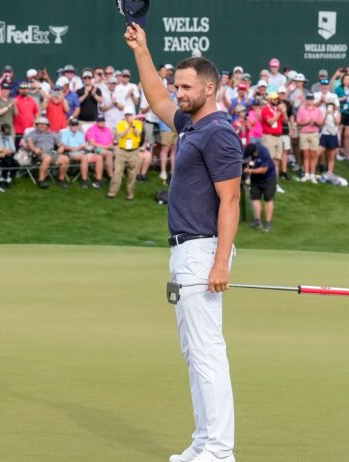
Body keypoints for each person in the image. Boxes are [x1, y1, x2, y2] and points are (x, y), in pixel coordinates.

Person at [126, 22, 242, 462]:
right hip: (185, 249)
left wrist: (220, 264)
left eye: (187, 87)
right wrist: (142, 50)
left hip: (203, 249)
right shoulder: (192, 126)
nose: (178, 93)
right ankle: (203, 441)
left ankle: (219, 450)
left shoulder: (219, 132)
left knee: (207, 351)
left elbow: (230, 200)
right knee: (194, 353)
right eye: (179, 85)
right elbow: (155, 97)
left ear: (210, 88)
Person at [107, 107, 143, 200]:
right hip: (122, 151)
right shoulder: (121, 124)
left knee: (132, 174)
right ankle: (112, 192)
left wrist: (133, 126)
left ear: (133, 116)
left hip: (134, 151)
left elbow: (138, 134)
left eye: (130, 115)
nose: (128, 117)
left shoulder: (138, 123)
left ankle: (130, 194)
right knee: (117, 172)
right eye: (127, 115)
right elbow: (120, 136)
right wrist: (128, 128)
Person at [60, 118, 102, 189]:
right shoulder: (65, 133)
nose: (75, 127)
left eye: (76, 125)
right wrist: (78, 148)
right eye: (73, 125)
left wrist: (86, 147)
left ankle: (98, 181)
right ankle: (84, 180)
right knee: (84, 157)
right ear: (70, 126)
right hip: (71, 153)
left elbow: (83, 144)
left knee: (99, 157)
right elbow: (64, 146)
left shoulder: (80, 134)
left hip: (83, 151)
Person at [243, 143, 276, 232]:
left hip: (268, 178)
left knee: (268, 199)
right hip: (255, 179)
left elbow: (264, 170)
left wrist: (249, 170)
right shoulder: (246, 151)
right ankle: (257, 220)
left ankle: (268, 222)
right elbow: (245, 162)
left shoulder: (264, 151)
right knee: (255, 198)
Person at [296, 93, 323, 183]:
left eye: (311, 99)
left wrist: (315, 122)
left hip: (314, 133)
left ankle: (312, 174)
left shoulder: (317, 110)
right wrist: (306, 123)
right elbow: (298, 122)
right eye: (308, 99)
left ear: (313, 100)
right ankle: (307, 174)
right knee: (306, 154)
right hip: (304, 133)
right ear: (306, 100)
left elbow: (320, 123)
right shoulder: (301, 109)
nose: (309, 101)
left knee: (313, 154)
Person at [85, 114, 116, 180]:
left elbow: (111, 140)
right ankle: (111, 176)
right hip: (96, 149)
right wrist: (106, 147)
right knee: (109, 154)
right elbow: (92, 143)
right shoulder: (92, 129)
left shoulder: (107, 129)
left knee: (121, 151)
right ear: (96, 122)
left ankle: (121, 173)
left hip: (108, 147)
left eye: (103, 121)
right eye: (100, 121)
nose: (102, 123)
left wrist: (110, 145)